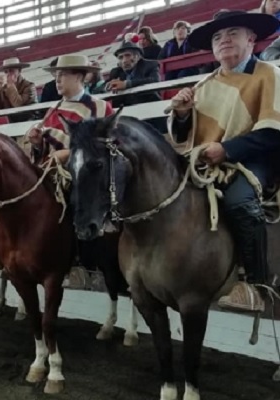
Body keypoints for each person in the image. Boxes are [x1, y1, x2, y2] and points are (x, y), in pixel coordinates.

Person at [167, 10, 280, 312]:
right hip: (208, 162)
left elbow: (273, 132)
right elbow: (188, 137)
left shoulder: (269, 73)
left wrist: (227, 150)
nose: (224, 40)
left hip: (258, 158)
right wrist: (181, 115)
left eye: (232, 33)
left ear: (251, 38)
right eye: (217, 37)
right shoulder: (205, 84)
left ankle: (258, 285)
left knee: (240, 201)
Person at [26, 54, 114, 165]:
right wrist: (38, 143)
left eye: (62, 75)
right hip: (52, 175)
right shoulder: (53, 110)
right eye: (56, 75)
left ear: (78, 77)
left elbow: (111, 147)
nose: (57, 80)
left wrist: (69, 153)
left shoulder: (100, 107)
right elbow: (45, 150)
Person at [0, 57, 37, 123]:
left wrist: (11, 86)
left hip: (30, 122)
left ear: (19, 71)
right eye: (6, 72)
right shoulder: (4, 89)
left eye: (11, 70)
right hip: (11, 124)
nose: (8, 74)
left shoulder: (29, 86)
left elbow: (19, 106)